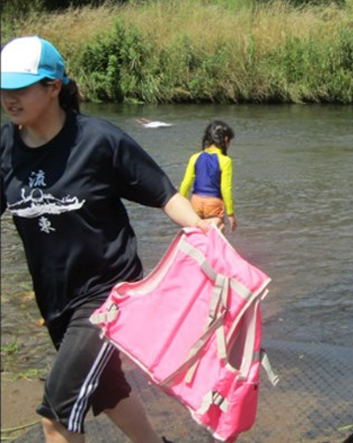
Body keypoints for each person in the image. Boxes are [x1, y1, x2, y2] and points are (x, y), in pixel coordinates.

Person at [1, 36, 218, 443]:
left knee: (58, 416)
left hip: (107, 294)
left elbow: (163, 193)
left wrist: (201, 228)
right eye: (3, 89)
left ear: (53, 88)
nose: (8, 98)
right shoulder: (6, 147)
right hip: (55, 296)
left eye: (19, 89)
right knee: (106, 388)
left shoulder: (98, 140)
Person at [179, 120, 237, 232]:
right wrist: (230, 213)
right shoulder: (225, 161)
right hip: (213, 202)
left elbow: (185, 183)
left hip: (196, 200)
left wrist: (181, 203)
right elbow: (225, 189)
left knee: (198, 229)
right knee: (218, 229)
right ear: (225, 140)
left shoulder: (195, 157)